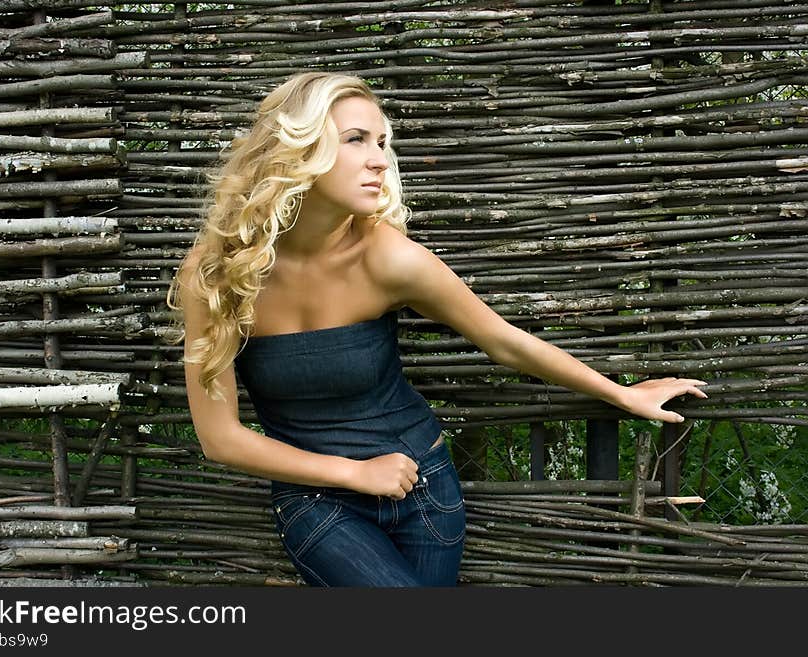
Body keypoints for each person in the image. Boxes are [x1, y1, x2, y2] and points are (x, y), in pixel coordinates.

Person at [166, 71, 708, 587]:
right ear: (298, 148)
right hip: (316, 498)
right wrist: (354, 474)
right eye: (356, 139)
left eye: (383, 142)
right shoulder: (217, 273)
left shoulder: (388, 259)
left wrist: (620, 392)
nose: (379, 160)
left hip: (423, 489)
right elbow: (220, 438)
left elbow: (501, 340)